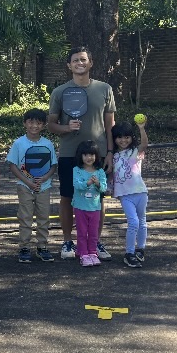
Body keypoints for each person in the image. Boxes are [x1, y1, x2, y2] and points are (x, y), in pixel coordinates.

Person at [48, 47, 116, 261]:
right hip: (70, 154)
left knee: (98, 197)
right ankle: (68, 241)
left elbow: (110, 126)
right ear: (69, 65)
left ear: (91, 63)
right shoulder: (59, 92)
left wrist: (110, 152)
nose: (80, 63)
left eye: (84, 59)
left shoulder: (105, 89)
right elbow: (51, 124)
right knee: (67, 197)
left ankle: (95, 242)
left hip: (98, 154)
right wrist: (66, 128)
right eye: (75, 60)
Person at [6, 108, 58, 263]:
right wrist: (28, 182)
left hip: (44, 186)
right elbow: (13, 165)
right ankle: (24, 247)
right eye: (31, 122)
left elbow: (53, 165)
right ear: (25, 123)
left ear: (43, 125)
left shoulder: (48, 143)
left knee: (44, 217)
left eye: (38, 123)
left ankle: (42, 246)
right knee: (25, 217)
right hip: (24, 186)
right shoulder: (18, 143)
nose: (34, 126)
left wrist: (44, 179)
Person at [112, 118, 149, 268]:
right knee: (133, 222)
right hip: (125, 195)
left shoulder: (135, 151)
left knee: (142, 221)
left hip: (140, 192)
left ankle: (140, 249)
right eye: (119, 137)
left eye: (127, 137)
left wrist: (141, 128)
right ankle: (129, 253)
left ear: (131, 137)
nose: (123, 140)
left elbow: (144, 144)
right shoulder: (113, 155)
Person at [72, 140, 108, 267]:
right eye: (85, 155)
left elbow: (104, 188)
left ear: (96, 156)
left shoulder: (100, 171)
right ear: (80, 156)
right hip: (80, 207)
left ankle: (92, 252)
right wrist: (87, 183)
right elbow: (77, 185)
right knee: (82, 231)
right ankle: (83, 253)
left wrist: (98, 183)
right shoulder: (77, 170)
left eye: (92, 154)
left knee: (93, 232)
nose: (89, 157)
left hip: (95, 208)